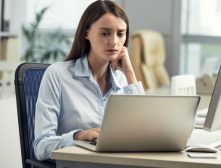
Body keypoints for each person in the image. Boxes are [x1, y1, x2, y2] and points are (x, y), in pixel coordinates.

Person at [34, 0, 145, 161]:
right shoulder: (57, 75)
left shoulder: (122, 80)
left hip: (118, 163)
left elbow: (143, 132)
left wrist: (130, 72)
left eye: (120, 34)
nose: (114, 42)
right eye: (105, 33)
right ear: (86, 33)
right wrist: (79, 135)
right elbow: (41, 147)